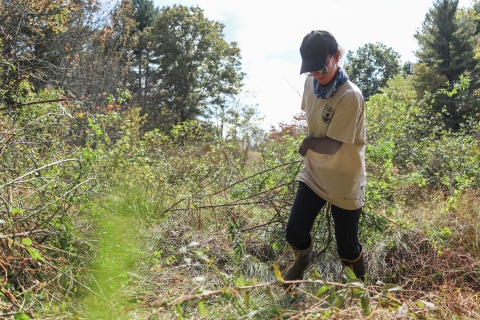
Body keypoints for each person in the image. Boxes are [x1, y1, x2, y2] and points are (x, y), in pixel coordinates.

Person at [283, 30, 366, 287]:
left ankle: (358, 293)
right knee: (294, 232)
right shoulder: (311, 83)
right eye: (311, 71)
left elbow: (331, 146)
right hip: (315, 174)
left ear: (337, 56)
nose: (317, 75)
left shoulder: (349, 96)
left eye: (322, 68)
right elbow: (312, 115)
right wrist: (309, 146)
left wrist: (307, 143)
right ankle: (303, 259)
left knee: (348, 249)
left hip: (344, 180)